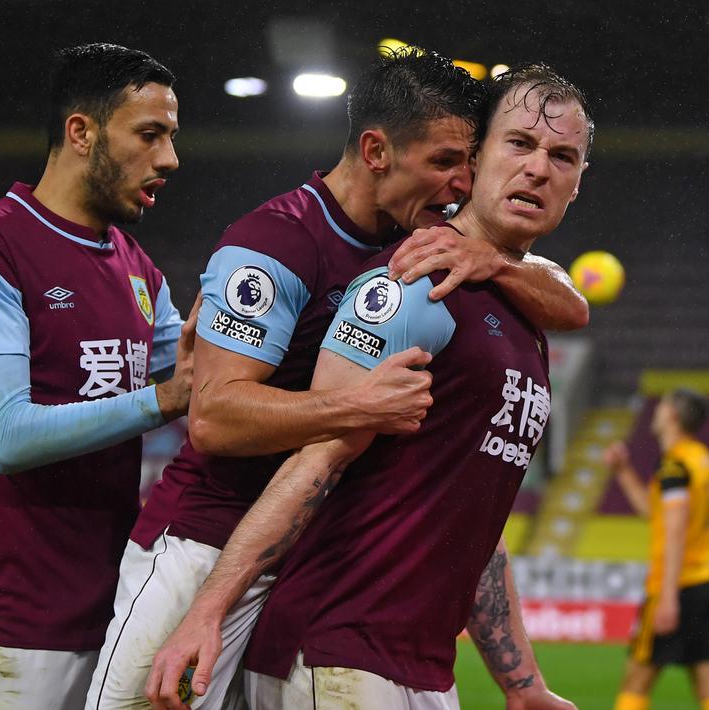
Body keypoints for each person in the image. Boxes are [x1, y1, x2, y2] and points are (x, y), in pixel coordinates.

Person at [91, 49, 589, 710]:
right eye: (446, 163)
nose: (459, 184)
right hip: (212, 540)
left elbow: (571, 303)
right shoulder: (285, 246)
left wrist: (492, 261)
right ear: (377, 151)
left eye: (561, 156)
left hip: (302, 557)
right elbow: (213, 422)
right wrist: (356, 404)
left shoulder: (445, 253)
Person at [0, 43, 202, 709]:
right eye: (149, 134)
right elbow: (8, 436)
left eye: (170, 136)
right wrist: (164, 398)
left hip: (114, 617)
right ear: (80, 131)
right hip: (16, 632)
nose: (169, 159)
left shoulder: (138, 266)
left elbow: (210, 383)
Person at [603, 388, 709, 710]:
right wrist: (623, 472)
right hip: (702, 583)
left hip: (675, 585)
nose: (657, 411)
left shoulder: (675, 465)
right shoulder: (702, 459)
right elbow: (656, 514)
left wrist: (666, 598)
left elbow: (675, 530)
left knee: (635, 681)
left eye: (662, 406)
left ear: (673, 416)